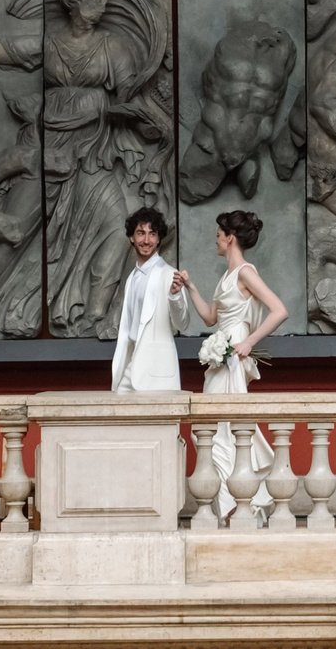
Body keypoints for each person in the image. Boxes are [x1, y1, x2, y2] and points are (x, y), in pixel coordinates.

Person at [179, 210, 290, 520]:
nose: (215, 238)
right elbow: (211, 318)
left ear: (230, 238)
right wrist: (191, 287)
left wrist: (249, 341)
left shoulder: (244, 272)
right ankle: (237, 505)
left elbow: (279, 310)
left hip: (232, 357)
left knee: (226, 431)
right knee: (212, 430)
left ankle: (241, 507)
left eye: (219, 234)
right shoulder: (227, 275)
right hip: (220, 355)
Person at [108, 207, 187, 394]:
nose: (146, 240)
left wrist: (175, 296)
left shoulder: (169, 274)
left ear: (159, 239)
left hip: (156, 369)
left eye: (152, 234)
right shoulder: (132, 278)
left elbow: (182, 324)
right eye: (141, 233)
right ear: (131, 238)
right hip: (131, 364)